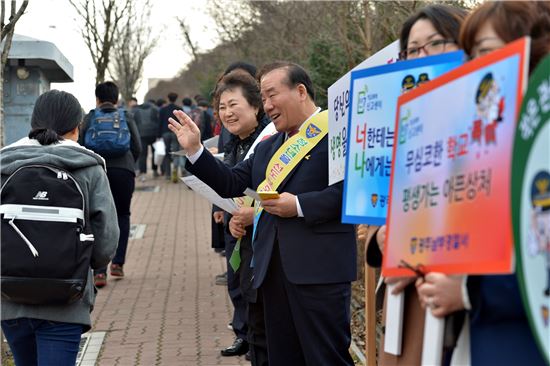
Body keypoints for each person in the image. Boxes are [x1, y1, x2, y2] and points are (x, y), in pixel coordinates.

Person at [170, 61, 356, 365]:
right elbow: (231, 181)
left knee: (325, 358)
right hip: (272, 271)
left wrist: (297, 206)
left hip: (319, 271)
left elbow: (350, 192)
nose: (267, 106)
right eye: (263, 97)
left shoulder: (337, 132)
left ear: (300, 91)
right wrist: (195, 151)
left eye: (272, 95)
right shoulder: (270, 146)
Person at [415, 2, 550, 365]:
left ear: (534, 51)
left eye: (487, 52)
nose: (475, 68)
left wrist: (467, 291)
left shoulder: (542, 139)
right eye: (470, 55)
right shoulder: (481, 144)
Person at [362, 4, 467, 365]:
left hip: (465, 314)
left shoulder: (492, 123)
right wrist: (381, 238)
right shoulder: (404, 133)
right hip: (406, 311)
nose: (422, 58)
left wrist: (466, 289)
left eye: (436, 44)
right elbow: (382, 220)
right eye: (412, 50)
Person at [0, 90, 119, 365]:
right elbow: (107, 239)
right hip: (67, 299)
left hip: (10, 296)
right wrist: (88, 264)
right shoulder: (89, 168)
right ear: (77, 127)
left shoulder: (5, 164)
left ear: (34, 123)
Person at [214, 70, 270, 364]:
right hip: (238, 225)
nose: (227, 113)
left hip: (263, 233)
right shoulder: (234, 143)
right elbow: (229, 182)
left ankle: (251, 337)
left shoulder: (269, 141)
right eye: (222, 107)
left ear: (256, 106)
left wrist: (255, 214)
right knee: (238, 282)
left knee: (255, 292)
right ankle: (244, 334)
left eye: (233, 105)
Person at [79, 81, 142, 288]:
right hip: (123, 170)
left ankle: (99, 272)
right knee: (123, 215)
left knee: (97, 217)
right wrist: (129, 163)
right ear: (116, 99)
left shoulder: (90, 117)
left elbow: (79, 144)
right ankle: (118, 263)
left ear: (97, 99)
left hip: (97, 171)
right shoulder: (126, 115)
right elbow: (137, 147)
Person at [134, 98, 161, 179]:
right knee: (154, 153)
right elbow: (158, 121)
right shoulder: (155, 109)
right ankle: (155, 171)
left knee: (143, 155)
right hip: (153, 134)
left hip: (141, 135)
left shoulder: (137, 111)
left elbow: (135, 123)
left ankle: (143, 173)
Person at [159, 92, 183, 180]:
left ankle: (167, 174)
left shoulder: (163, 109)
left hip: (165, 133)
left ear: (168, 98)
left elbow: (160, 123)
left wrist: (159, 135)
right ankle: (175, 170)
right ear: (176, 99)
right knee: (176, 152)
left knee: (167, 153)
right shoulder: (179, 109)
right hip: (176, 132)